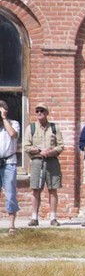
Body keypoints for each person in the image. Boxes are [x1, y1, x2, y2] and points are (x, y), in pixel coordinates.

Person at [22, 102, 64, 227]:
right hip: (37, 161)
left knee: (53, 189)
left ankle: (53, 218)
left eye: (42, 110)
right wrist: (40, 150)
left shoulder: (54, 128)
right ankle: (34, 217)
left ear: (47, 113)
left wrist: (50, 151)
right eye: (37, 111)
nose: (39, 113)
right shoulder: (31, 128)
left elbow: (61, 145)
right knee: (35, 189)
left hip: (52, 161)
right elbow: (26, 146)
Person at [0, 100, 21, 234]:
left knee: (10, 194)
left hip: (9, 163)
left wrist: (4, 118)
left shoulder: (13, 123)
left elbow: (13, 134)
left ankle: (12, 225)